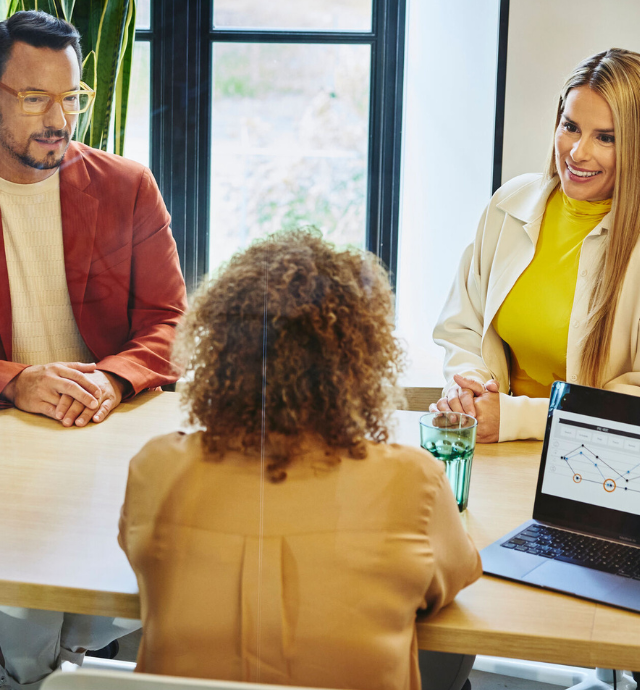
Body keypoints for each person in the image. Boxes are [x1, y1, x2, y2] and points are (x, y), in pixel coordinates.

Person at [119, 229, 481, 690]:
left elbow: (141, 558)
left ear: (220, 353)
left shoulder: (156, 467)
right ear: (362, 360)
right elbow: (454, 578)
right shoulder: (414, 482)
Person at [0, 11, 187, 689]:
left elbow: (169, 319)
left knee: (126, 603)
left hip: (104, 444)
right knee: (24, 616)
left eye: (71, 98)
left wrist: (111, 380)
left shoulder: (125, 186)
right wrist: (16, 380)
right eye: (33, 98)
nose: (58, 119)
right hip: (7, 447)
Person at [433, 48, 640, 443]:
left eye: (606, 137)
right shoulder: (510, 203)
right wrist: (469, 389)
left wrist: (516, 419)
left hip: (596, 462)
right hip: (494, 443)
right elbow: (463, 323)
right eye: (571, 126)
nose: (578, 152)